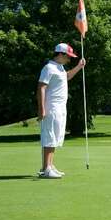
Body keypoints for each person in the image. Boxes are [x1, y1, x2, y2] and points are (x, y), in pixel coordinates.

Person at [37, 43, 86, 178]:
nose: (69, 59)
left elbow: (67, 77)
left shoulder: (60, 68)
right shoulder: (49, 68)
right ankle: (46, 168)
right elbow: (41, 87)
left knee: (55, 137)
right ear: (60, 54)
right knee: (50, 137)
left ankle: (49, 166)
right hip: (51, 107)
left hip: (60, 107)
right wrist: (41, 109)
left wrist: (79, 66)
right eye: (68, 57)